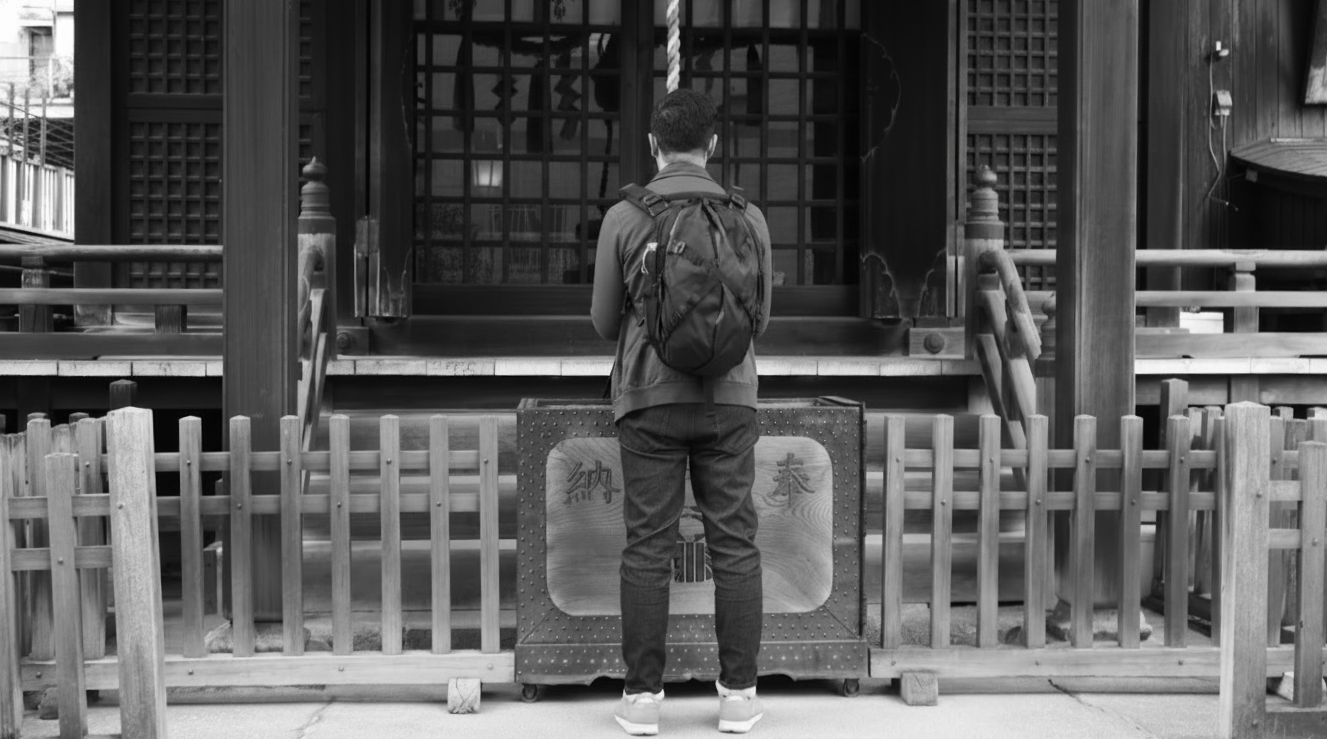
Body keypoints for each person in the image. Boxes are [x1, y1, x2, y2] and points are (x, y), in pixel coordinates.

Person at [591, 89, 774, 736]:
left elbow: (601, 320)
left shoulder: (624, 215)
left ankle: (642, 700)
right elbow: (761, 321)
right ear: (714, 145)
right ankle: (739, 695)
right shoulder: (747, 218)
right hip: (730, 400)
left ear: (652, 144)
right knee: (735, 542)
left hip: (647, 398)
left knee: (647, 545)